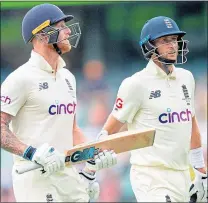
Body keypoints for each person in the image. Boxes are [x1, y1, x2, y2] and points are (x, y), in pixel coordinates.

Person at [0, 3, 117, 202]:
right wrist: (32, 153)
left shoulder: (68, 78)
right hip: (35, 177)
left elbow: (71, 130)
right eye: (61, 26)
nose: (68, 31)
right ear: (42, 35)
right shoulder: (20, 79)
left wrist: (94, 155)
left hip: (68, 176)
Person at [97, 16, 207, 202]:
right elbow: (107, 131)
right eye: (165, 40)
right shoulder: (135, 84)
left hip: (182, 174)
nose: (173, 45)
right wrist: (94, 166)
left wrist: (201, 171)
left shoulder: (186, 78)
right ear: (149, 46)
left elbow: (191, 124)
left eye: (174, 39)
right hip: (150, 176)